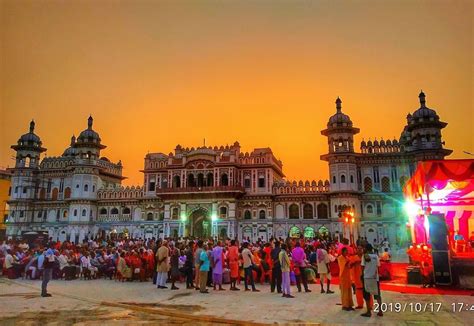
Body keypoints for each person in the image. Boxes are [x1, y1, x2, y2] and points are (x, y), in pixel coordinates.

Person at [361, 244, 383, 317]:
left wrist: (362, 275)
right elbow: (378, 266)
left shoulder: (364, 256)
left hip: (367, 278)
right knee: (377, 294)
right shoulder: (376, 256)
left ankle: (368, 311)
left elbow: (362, 267)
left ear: (366, 249)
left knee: (367, 295)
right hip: (375, 278)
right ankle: (380, 311)